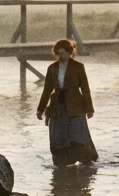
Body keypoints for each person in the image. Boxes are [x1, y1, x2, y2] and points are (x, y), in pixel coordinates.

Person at [35, 39, 98, 167]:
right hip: (57, 105)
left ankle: (85, 164)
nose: (61, 56)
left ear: (70, 52)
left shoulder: (78, 67)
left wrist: (89, 108)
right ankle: (61, 165)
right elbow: (47, 90)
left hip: (75, 105)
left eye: (63, 53)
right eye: (59, 53)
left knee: (78, 134)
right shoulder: (52, 68)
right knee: (58, 135)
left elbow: (85, 88)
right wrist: (40, 109)